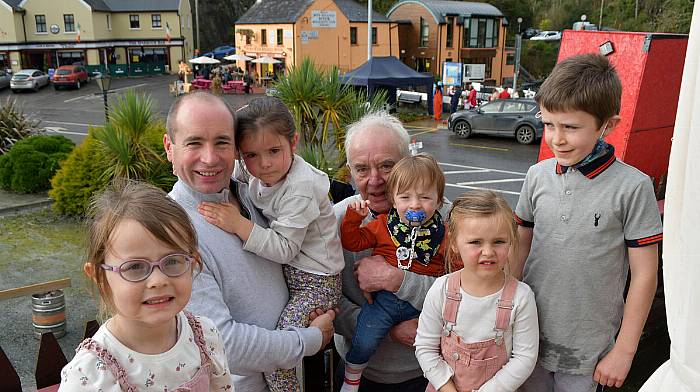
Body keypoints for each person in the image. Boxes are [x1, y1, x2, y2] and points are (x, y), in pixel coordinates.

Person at [163, 91, 336, 392]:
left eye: (222, 142)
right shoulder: (173, 233)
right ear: (170, 148)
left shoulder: (249, 187)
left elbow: (306, 211)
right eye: (194, 143)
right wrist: (311, 339)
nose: (210, 157)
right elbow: (222, 343)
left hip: (301, 366)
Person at [514, 53, 663, 391]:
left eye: (570, 127)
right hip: (526, 338)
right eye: (549, 124)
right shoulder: (537, 176)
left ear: (607, 125)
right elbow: (519, 247)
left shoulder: (633, 187)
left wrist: (624, 351)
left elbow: (645, 276)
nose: (556, 138)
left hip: (588, 353)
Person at [58, 180, 234, 391]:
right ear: (99, 275)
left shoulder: (205, 337)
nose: (158, 280)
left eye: (172, 261)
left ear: (192, 263)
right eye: (134, 267)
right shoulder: (91, 375)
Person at [333, 111, 452, 392]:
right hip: (358, 374)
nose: (375, 180)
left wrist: (397, 280)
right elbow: (325, 301)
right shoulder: (337, 219)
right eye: (361, 169)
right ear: (349, 170)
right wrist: (388, 330)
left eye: (387, 166)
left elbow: (469, 293)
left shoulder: (446, 219)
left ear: (407, 161)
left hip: (427, 373)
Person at [415, 190, 539, 392]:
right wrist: (446, 387)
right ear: (454, 243)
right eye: (475, 242)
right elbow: (425, 347)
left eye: (499, 241)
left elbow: (525, 357)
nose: (488, 252)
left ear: (510, 241)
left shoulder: (521, 297)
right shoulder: (441, 289)